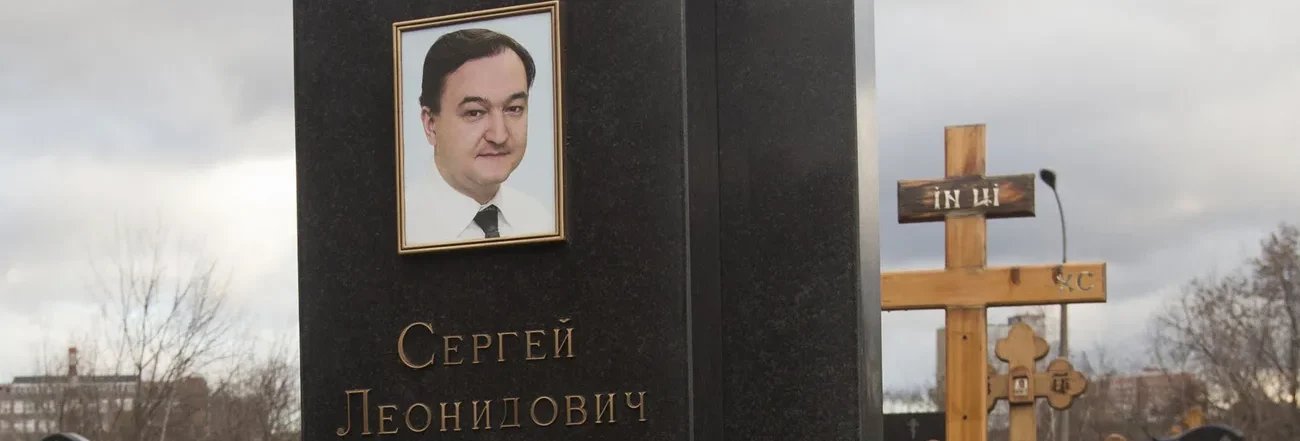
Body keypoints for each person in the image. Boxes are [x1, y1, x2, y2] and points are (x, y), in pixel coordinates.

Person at [410, 28, 552, 244]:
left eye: (513, 109)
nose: (499, 136)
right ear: (431, 125)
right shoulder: (403, 227)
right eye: (475, 113)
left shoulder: (539, 221)